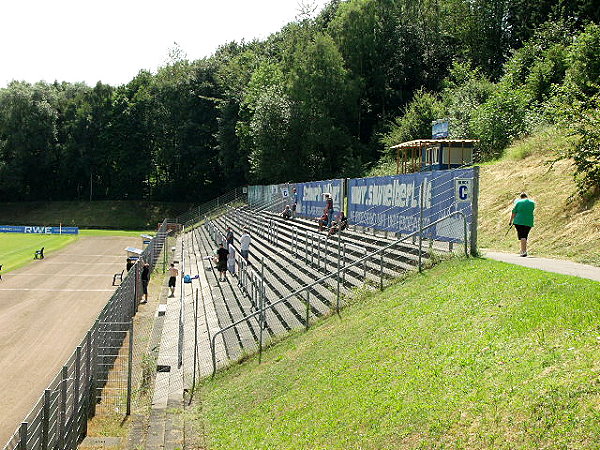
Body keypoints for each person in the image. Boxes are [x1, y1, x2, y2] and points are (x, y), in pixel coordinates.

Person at [510, 192, 535, 257]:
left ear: (521, 197)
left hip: (519, 221)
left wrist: (511, 221)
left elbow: (514, 212)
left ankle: (523, 251)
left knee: (522, 236)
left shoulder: (518, 202)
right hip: (529, 222)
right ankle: (523, 250)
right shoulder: (532, 203)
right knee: (525, 236)